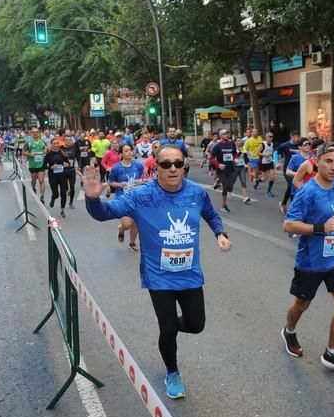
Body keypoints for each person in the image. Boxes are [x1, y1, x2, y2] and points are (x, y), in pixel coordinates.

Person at [83, 144, 231, 399]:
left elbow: (211, 215)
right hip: (158, 276)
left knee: (196, 325)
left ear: (184, 166)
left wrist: (220, 233)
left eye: (178, 163)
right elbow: (104, 213)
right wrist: (93, 199)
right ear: (156, 167)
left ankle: (170, 324)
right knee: (168, 329)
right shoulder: (141, 195)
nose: (173, 168)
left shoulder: (196, 193)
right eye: (166, 164)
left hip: (189, 274)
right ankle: (172, 372)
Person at [282, 142, 334, 378]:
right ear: (317, 161)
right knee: (302, 305)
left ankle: (332, 353)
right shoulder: (307, 192)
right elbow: (288, 225)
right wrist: (320, 227)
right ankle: (289, 331)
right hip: (311, 262)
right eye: (329, 162)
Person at [108, 144, 146, 251]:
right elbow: (110, 182)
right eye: (126, 151)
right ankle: (121, 229)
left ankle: (132, 243)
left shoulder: (138, 166)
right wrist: (119, 185)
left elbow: (143, 178)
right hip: (122, 198)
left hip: (136, 197)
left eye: (130, 150)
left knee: (136, 222)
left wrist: (141, 182)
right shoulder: (117, 168)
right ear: (121, 154)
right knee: (127, 223)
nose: (129, 152)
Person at [210, 129, 238, 213]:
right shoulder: (217, 146)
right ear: (221, 135)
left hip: (231, 168)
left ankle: (218, 181)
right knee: (225, 187)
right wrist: (218, 165)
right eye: (225, 133)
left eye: (227, 133)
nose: (227, 135)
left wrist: (235, 159)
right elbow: (211, 159)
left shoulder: (231, 144)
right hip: (222, 170)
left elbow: (235, 154)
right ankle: (224, 206)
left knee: (230, 188)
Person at [43, 139, 69, 218]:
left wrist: (66, 164)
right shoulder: (49, 154)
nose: (56, 145)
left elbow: (68, 162)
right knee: (56, 194)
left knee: (63, 193)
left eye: (57, 143)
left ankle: (62, 209)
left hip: (62, 175)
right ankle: (53, 198)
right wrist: (51, 167)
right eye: (54, 143)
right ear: (51, 145)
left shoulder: (62, 153)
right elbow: (44, 166)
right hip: (53, 176)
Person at [23, 128, 47, 201]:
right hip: (32, 165)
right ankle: (33, 188)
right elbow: (23, 152)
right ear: (31, 134)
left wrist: (45, 151)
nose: (35, 134)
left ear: (39, 133)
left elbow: (45, 149)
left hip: (41, 164)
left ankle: (42, 196)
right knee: (33, 180)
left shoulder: (42, 142)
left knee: (41, 180)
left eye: (37, 132)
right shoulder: (28, 143)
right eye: (34, 132)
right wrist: (30, 154)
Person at [255, 132, 276, 197]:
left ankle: (268, 191)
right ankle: (257, 182)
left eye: (272, 137)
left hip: (270, 162)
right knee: (264, 178)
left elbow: (273, 152)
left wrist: (274, 159)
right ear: (266, 137)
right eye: (269, 136)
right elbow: (257, 153)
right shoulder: (263, 144)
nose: (271, 138)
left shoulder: (272, 144)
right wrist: (264, 155)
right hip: (264, 163)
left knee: (272, 177)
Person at [60, 135, 79, 209]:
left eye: (70, 140)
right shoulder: (60, 148)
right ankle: (63, 202)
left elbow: (78, 157)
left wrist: (79, 166)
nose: (68, 141)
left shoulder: (74, 148)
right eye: (67, 140)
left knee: (72, 187)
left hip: (71, 170)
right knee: (64, 188)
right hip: (63, 170)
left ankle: (71, 202)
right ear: (64, 140)